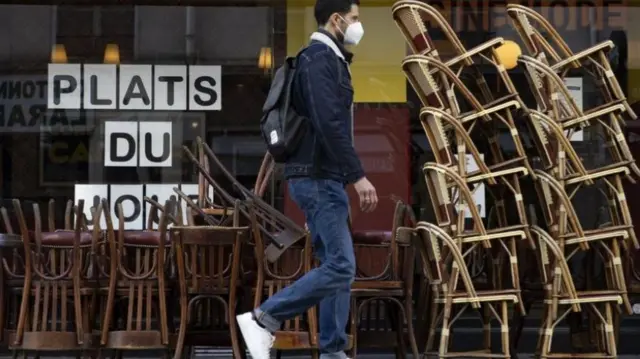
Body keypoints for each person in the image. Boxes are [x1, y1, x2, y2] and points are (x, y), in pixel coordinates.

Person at [236, 0, 378, 358]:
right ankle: (263, 318)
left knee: (336, 265)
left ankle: (332, 351)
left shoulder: (329, 60)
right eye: (355, 18)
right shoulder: (319, 60)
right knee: (342, 264)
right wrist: (358, 175)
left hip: (322, 176)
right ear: (336, 19)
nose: (358, 26)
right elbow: (329, 122)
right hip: (317, 177)